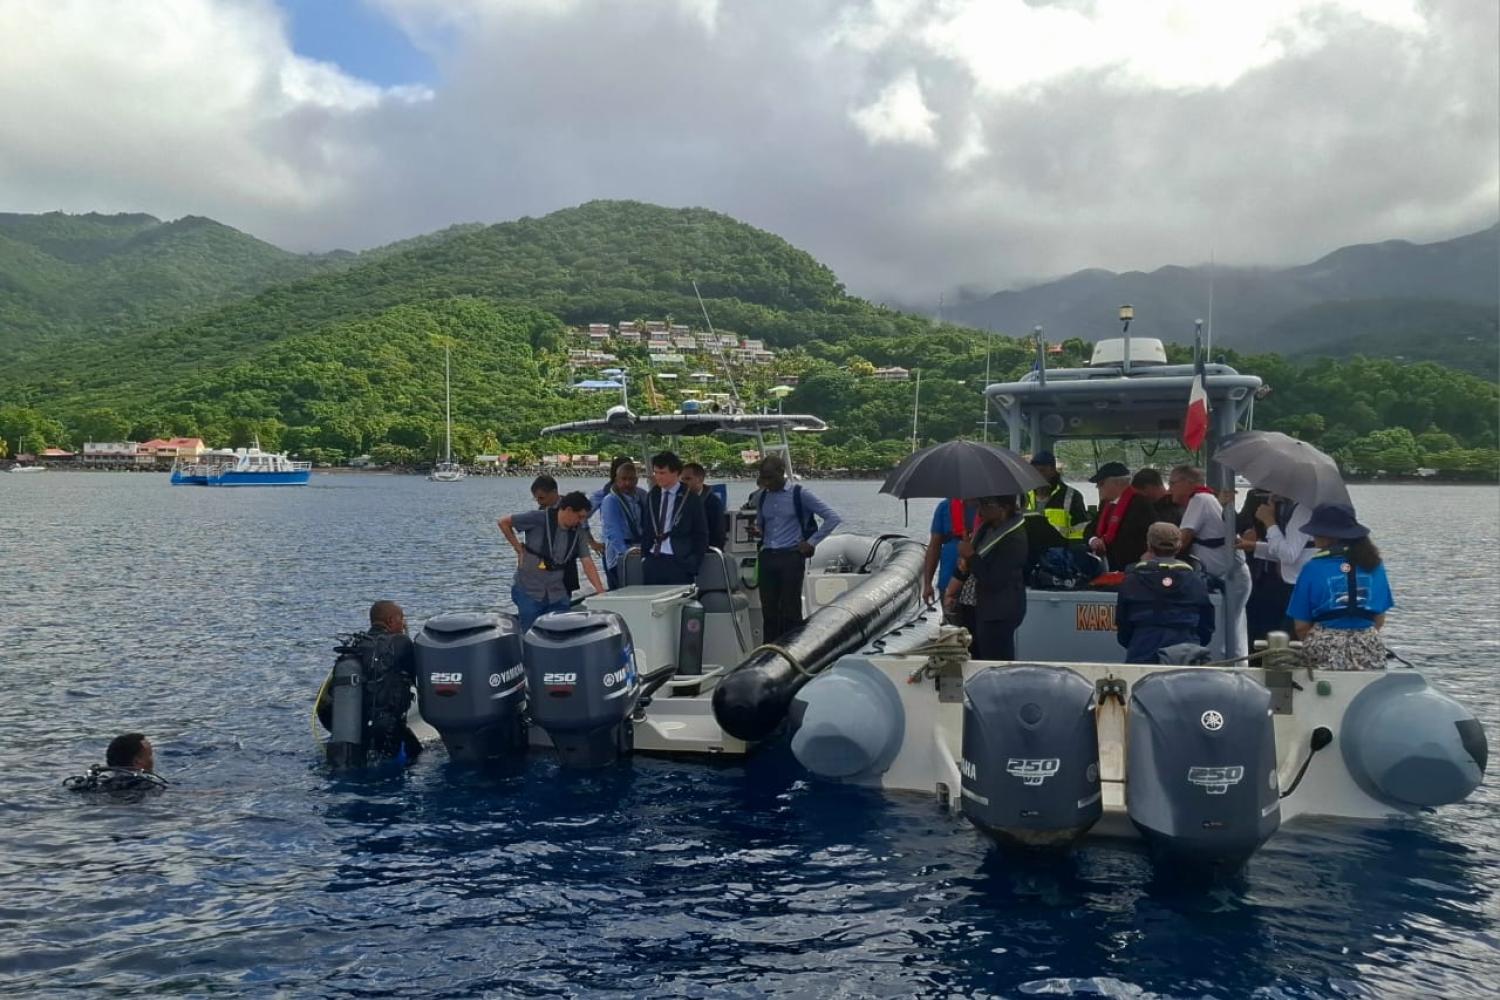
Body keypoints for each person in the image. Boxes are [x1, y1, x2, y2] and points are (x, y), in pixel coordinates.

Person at [1288, 504, 1393, 671]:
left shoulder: (1313, 568)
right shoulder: (1375, 564)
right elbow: (1379, 619)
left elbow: (1301, 627)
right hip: (1369, 646)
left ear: (1328, 537)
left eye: (1316, 532)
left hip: (1324, 646)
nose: (1313, 537)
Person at [315, 600, 422, 764]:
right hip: (386, 731)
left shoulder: (355, 645)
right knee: (419, 755)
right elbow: (418, 679)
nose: (403, 623)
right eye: (402, 619)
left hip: (354, 728)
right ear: (391, 621)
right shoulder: (400, 643)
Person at [753, 455, 842, 643]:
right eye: (763, 478)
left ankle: (791, 648)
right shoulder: (761, 497)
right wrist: (756, 530)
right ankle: (768, 650)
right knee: (769, 609)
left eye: (770, 477)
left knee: (790, 608)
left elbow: (832, 517)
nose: (766, 483)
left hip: (791, 556)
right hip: (768, 555)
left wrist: (811, 542)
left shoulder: (800, 494)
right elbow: (762, 524)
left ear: (781, 472)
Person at [1170, 464, 1251, 660]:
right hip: (1229, 574)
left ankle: (1231, 672)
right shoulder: (1204, 498)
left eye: (1172, 483)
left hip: (1231, 575)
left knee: (1228, 633)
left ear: (1187, 483)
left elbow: (1182, 539)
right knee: (1233, 629)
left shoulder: (1200, 499)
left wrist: (1155, 553)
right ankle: (1236, 669)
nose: (1169, 488)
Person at [500, 491, 607, 629]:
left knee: (560, 633)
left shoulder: (578, 531)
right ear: (568, 510)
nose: (581, 521)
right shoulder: (537, 518)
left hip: (558, 593)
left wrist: (600, 591)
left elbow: (587, 562)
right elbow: (503, 522)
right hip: (529, 590)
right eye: (579, 517)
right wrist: (518, 548)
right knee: (530, 633)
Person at [1115, 522, 1216, 663]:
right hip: (1187, 655)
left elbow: (1123, 626)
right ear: (1179, 546)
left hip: (1142, 651)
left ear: (1149, 545)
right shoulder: (1196, 581)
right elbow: (1206, 626)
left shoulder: (1132, 580)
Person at [943, 495, 1028, 660]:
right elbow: (968, 565)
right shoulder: (985, 529)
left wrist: (971, 556)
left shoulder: (1015, 539)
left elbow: (995, 580)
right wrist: (952, 591)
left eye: (987, 504)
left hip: (999, 612)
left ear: (1004, 508)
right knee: (974, 655)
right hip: (975, 606)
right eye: (980, 504)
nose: (980, 510)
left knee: (994, 660)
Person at [1236, 491, 1316, 643]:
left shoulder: (1303, 511)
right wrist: (1255, 547)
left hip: (1298, 584)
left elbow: (1289, 554)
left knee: (1288, 640)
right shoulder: (1294, 507)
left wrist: (1269, 521)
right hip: (1292, 582)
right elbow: (1294, 550)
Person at [644, 451, 709, 586]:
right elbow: (646, 526)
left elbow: (701, 532)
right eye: (656, 473)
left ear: (676, 473)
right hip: (654, 558)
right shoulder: (652, 495)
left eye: (663, 473)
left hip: (679, 559)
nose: (658, 477)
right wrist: (645, 555)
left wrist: (694, 561)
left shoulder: (690, 498)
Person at [1085, 462, 1154, 569]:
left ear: (1118, 483)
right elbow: (1090, 529)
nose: (1097, 487)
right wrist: (1094, 540)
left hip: (1131, 567)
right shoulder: (1105, 505)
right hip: (1107, 565)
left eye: (1101, 483)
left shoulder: (1141, 504)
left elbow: (1149, 536)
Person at [599, 460, 649, 589]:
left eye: (631, 479)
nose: (627, 483)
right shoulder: (610, 500)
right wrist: (625, 554)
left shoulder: (642, 496)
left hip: (640, 550)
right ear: (616, 479)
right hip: (619, 555)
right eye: (623, 479)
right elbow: (612, 531)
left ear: (637, 480)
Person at [64, 732, 168, 794]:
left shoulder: (99, 780)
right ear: (137, 761)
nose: (152, 759)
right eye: (149, 755)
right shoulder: (145, 784)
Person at [1027, 450, 1089, 540]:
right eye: (1034, 471)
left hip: (1060, 550)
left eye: (1042, 470)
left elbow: (1081, 528)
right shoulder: (1024, 496)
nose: (1037, 475)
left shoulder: (1072, 496)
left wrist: (1069, 549)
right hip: (1030, 550)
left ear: (1052, 471)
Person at [681, 461, 727, 550]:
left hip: (705, 553)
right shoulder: (678, 501)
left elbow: (719, 534)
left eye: (688, 479)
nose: (684, 483)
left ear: (700, 479)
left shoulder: (713, 503)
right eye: (682, 479)